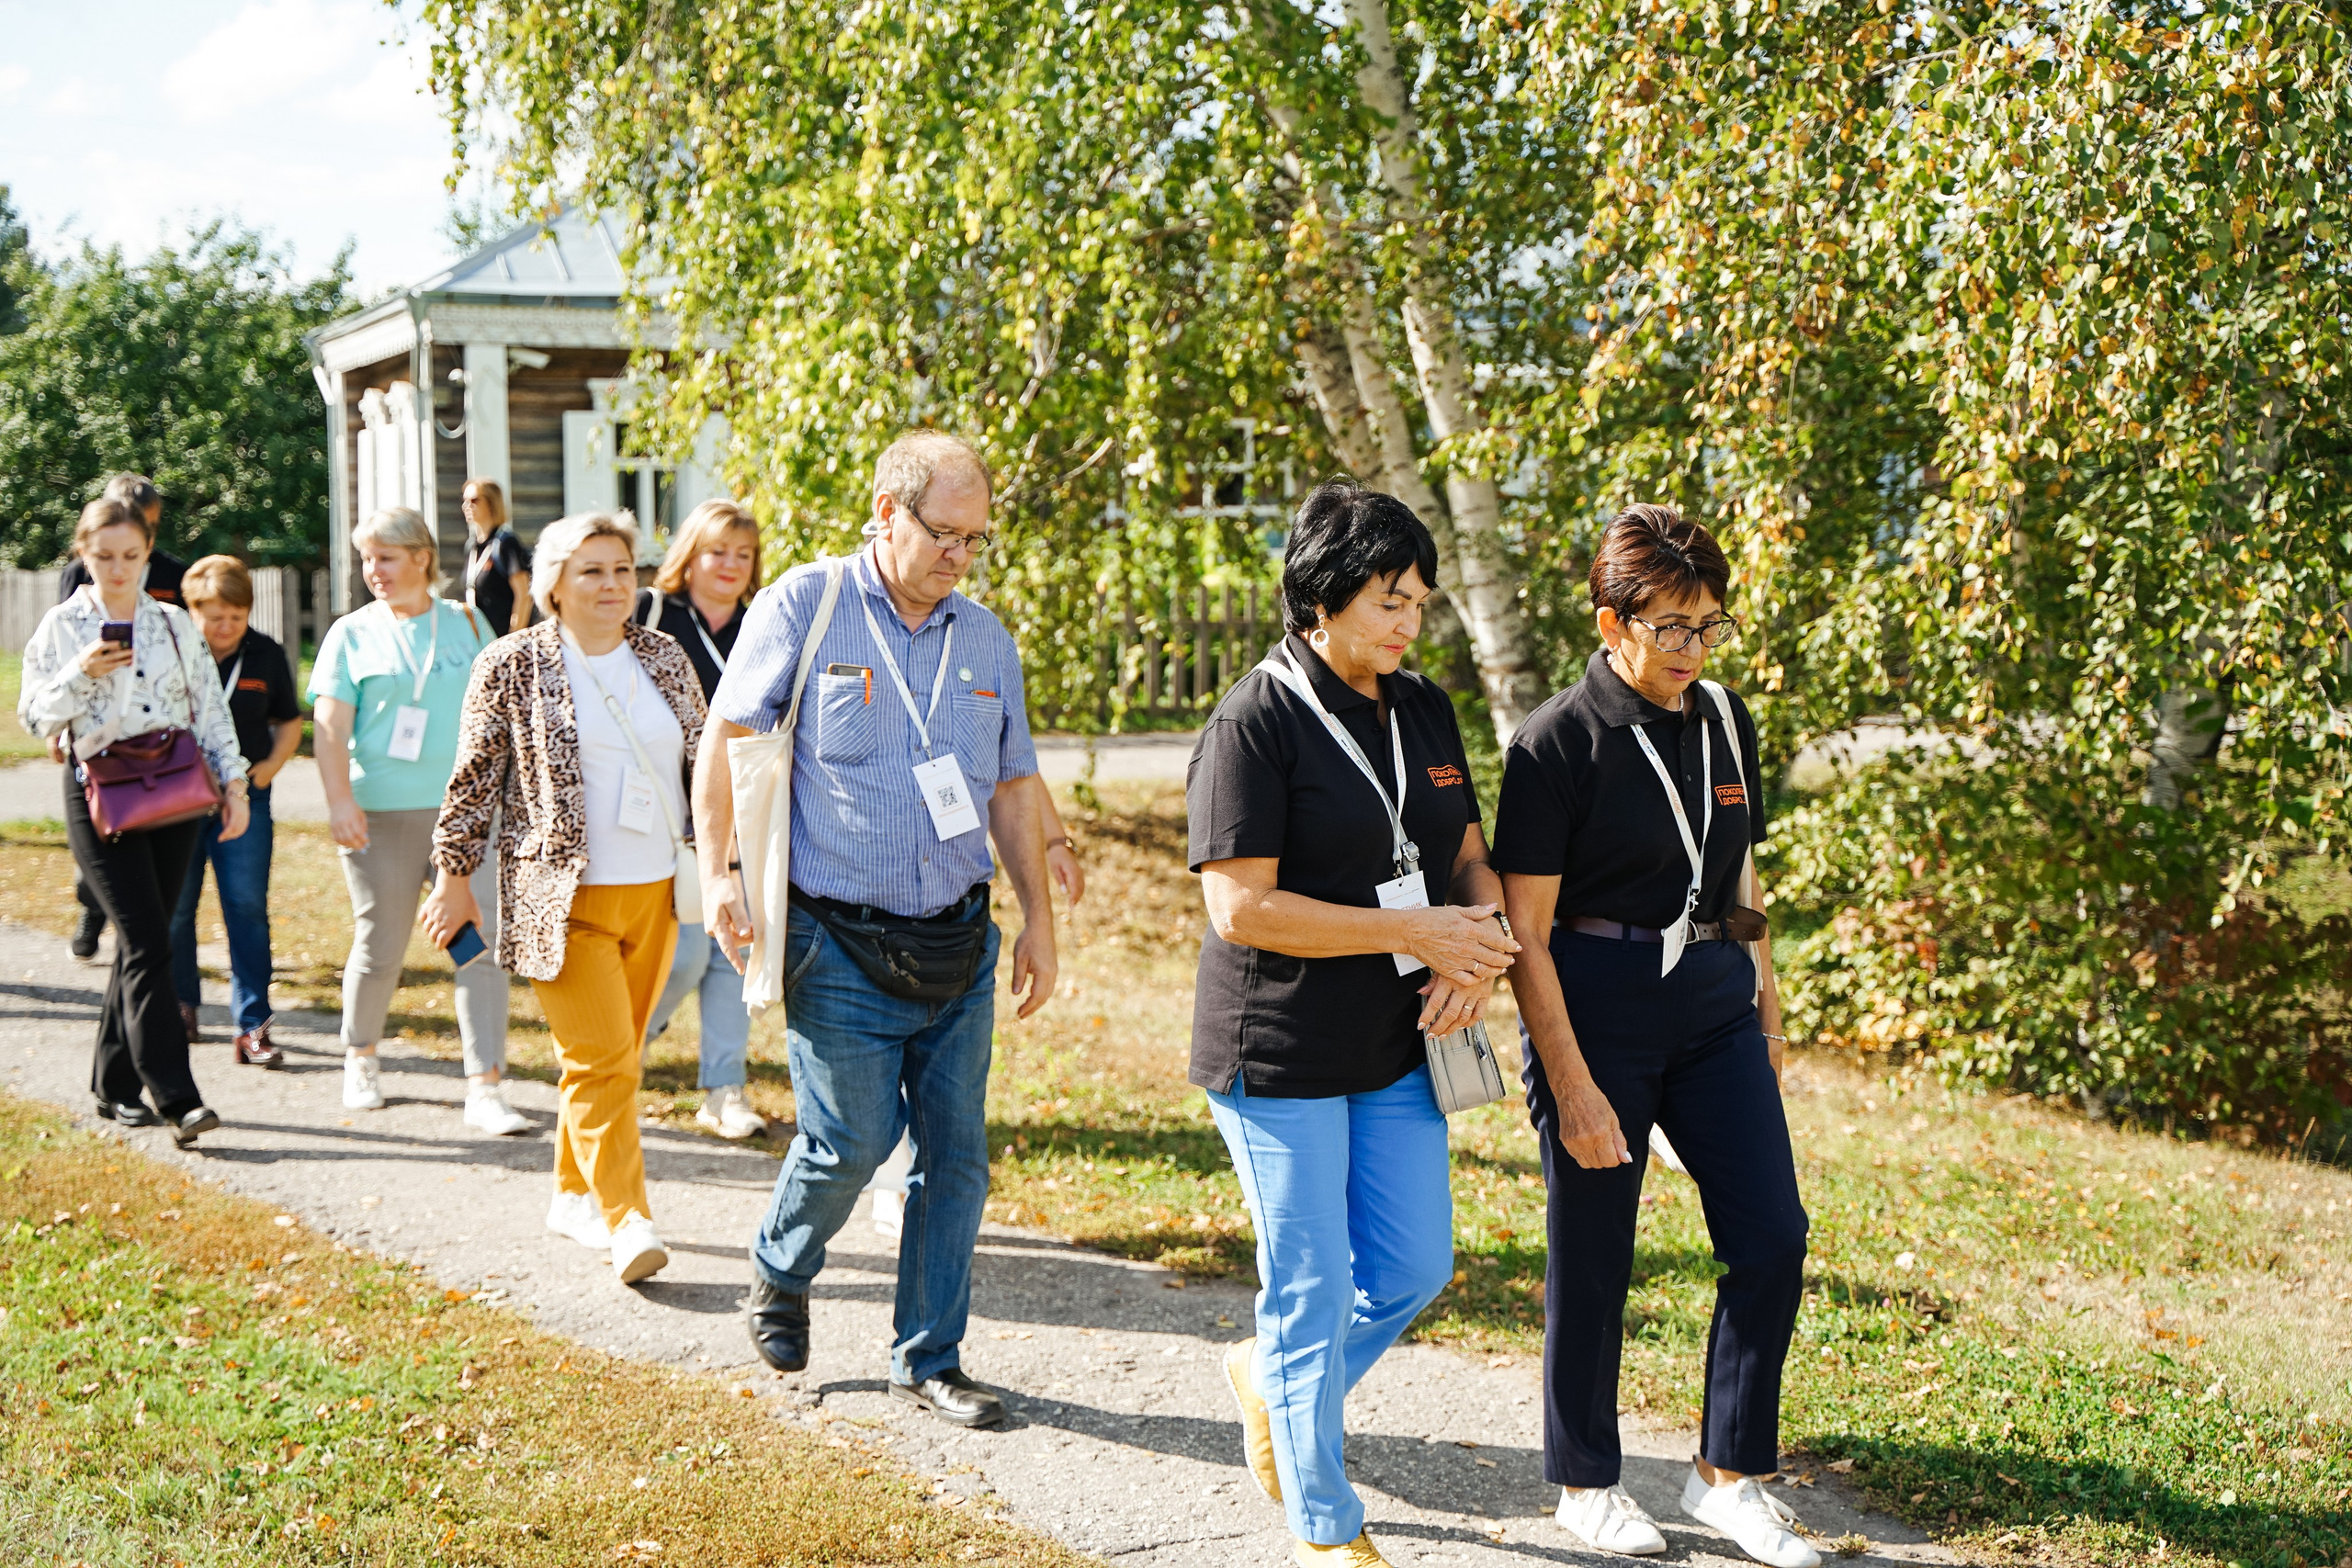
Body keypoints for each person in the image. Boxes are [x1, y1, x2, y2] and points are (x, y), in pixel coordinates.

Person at [692, 430, 1058, 1429]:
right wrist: (717, 873)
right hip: (835, 939)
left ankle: (929, 1356)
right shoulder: (804, 607)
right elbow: (727, 745)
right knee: (851, 1140)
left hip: (957, 942)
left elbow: (1015, 786)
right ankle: (780, 1263)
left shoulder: (984, 641)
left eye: (976, 540)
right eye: (945, 533)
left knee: (956, 1157)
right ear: (886, 512)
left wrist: (1038, 922)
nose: (960, 556)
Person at [1187, 479, 1517, 1568]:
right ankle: (1325, 1522)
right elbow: (1241, 908)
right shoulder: (1252, 719)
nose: (1408, 624)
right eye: (1389, 601)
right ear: (1320, 601)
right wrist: (1427, 933)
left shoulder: (1421, 706)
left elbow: (1466, 851)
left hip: (1397, 1038)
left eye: (1419, 601)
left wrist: (1473, 949)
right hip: (1275, 1051)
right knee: (1312, 1282)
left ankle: (1267, 1377)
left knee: (1416, 1267)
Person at [1492, 503, 1813, 1568]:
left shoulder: (1724, 719)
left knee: (1770, 1234)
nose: (1690, 649)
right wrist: (1571, 1082)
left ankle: (1728, 1474)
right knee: (1595, 1255)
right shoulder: (1553, 744)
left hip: (1715, 1000)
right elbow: (1525, 935)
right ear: (1610, 621)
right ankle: (1586, 1484)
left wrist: (1768, 1010)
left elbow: (1741, 877)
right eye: (1669, 627)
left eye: (1707, 624)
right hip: (1596, 1001)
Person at [424, 511, 707, 1285]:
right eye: (593, 571)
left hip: (654, 892)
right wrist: (453, 874)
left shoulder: (664, 656)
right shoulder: (511, 664)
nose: (613, 584)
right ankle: (629, 1219)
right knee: (603, 1059)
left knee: (612, 1060)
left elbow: (702, 762)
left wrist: (731, 863)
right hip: (561, 895)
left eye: (622, 569)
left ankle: (572, 1193)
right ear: (552, 583)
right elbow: (474, 777)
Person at [19, 497, 247, 1147]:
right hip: (102, 794)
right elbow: (35, 716)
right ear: (83, 554)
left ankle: (112, 1083)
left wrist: (235, 786)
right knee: (150, 941)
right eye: (103, 556)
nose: (118, 569)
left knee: (139, 943)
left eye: (130, 556)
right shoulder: (63, 625)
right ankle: (178, 1096)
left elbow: (209, 712)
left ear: (148, 553)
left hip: (174, 790)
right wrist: (79, 671)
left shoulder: (175, 623)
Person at [311, 507, 521, 1135]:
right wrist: (339, 800)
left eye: (386, 557)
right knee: (383, 941)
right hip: (381, 813)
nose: (374, 570)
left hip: (466, 815)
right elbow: (329, 729)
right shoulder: (350, 634)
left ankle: (485, 1083)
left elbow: (498, 711)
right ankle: (361, 1054)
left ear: (421, 558)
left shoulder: (466, 621)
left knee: (476, 943)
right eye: (367, 559)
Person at [633, 498, 768, 1139]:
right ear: (690, 555)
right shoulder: (652, 616)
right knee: (685, 952)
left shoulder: (765, 624)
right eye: (718, 551)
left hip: (746, 808)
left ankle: (724, 1086)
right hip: (665, 811)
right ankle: (624, 1046)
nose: (730, 566)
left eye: (743, 555)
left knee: (735, 950)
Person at [168, 556, 301, 1067]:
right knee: (177, 907)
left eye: (237, 616)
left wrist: (263, 772)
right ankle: (180, 1008)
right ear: (191, 609)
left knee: (245, 906)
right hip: (177, 801)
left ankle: (253, 1025)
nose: (226, 627)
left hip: (244, 799)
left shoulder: (265, 654)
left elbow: (288, 722)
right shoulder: (172, 652)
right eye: (215, 616)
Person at [60, 474, 187, 962]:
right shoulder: (78, 576)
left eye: (145, 533)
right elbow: (60, 655)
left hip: (156, 737)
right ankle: (93, 905)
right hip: (96, 732)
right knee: (100, 831)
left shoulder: (173, 578)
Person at [459, 477, 534, 637]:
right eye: (465, 501)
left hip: (504, 640)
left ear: (491, 504)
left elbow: (524, 595)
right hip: (480, 640)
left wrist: (514, 638)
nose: (467, 506)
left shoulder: (506, 543)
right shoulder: (472, 547)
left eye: (474, 501)